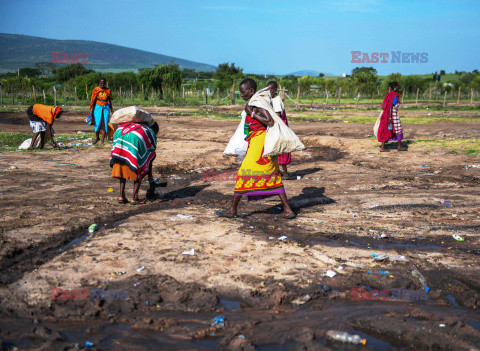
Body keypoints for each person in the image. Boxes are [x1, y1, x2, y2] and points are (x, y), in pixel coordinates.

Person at [217, 78, 295, 219]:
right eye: (240, 92)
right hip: (258, 142)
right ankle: (287, 209)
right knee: (273, 174)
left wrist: (251, 113)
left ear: (251, 90)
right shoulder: (256, 101)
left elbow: (270, 121)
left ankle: (233, 210)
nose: (241, 94)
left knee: (244, 173)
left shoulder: (257, 102)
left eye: (243, 92)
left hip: (260, 144)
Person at [110, 121, 159, 204]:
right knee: (139, 165)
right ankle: (134, 198)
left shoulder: (126, 126)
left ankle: (121, 196)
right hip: (135, 138)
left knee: (122, 165)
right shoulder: (148, 131)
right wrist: (150, 180)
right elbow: (148, 158)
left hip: (120, 136)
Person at [267, 81, 291, 179]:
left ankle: (285, 173)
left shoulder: (277, 100)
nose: (268, 92)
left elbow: (277, 115)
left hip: (279, 127)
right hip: (274, 126)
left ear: (275, 90)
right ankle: (276, 172)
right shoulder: (270, 99)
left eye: (270, 90)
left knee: (281, 150)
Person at [377, 81, 406, 152]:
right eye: (397, 86)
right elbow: (390, 107)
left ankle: (384, 147)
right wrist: (390, 118)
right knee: (398, 129)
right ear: (395, 87)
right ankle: (398, 147)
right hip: (392, 115)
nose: (398, 87)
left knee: (387, 129)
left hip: (390, 115)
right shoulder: (394, 96)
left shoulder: (391, 94)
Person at [89, 78, 113, 144]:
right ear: (99, 83)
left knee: (104, 124)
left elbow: (109, 101)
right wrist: (91, 111)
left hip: (105, 109)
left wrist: (111, 109)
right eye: (101, 83)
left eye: (104, 83)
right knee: (97, 124)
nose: (102, 84)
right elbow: (93, 100)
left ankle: (102, 140)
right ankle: (97, 138)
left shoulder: (108, 90)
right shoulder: (96, 90)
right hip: (97, 109)